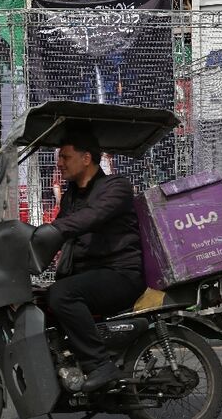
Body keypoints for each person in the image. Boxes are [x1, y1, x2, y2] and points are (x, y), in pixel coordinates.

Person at [45, 128, 146, 392]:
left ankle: (100, 364)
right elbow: (56, 235)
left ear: (86, 158)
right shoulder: (71, 195)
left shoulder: (116, 186)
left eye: (66, 157)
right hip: (88, 275)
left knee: (62, 295)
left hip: (120, 274)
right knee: (39, 300)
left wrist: (53, 230)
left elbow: (91, 217)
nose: (59, 163)